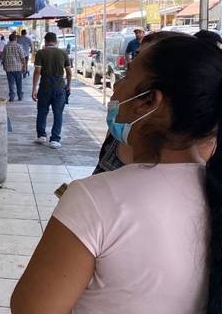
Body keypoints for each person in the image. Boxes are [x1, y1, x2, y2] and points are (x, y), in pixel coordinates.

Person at [12, 35, 222, 314]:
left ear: (148, 101)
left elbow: (31, 309)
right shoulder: (211, 190)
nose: (116, 88)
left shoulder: (94, 199)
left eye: (126, 75)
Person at [93, 30, 187, 174]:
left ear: (152, 99)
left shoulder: (185, 162)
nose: (117, 85)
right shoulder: (118, 132)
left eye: (130, 75)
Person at [32, 32, 72, 149]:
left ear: (45, 41)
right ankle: (55, 139)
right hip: (60, 87)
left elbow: (37, 71)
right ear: (56, 41)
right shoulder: (63, 53)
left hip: (45, 86)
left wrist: (34, 88)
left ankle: (41, 136)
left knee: (42, 112)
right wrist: (68, 84)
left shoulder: (41, 53)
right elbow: (69, 72)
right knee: (58, 113)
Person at [1, 33, 27, 101]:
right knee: (19, 83)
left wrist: (4, 66)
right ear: (16, 39)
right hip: (18, 68)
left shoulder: (6, 47)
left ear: (9, 39)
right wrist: (24, 67)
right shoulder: (19, 46)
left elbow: (3, 58)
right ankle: (20, 96)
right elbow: (23, 58)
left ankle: (12, 97)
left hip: (9, 68)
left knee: (11, 83)